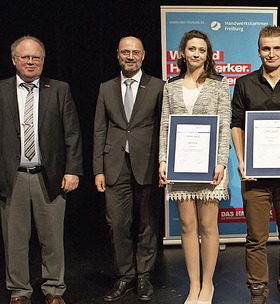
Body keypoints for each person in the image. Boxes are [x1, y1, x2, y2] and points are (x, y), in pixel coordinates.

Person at [230, 25, 280, 304]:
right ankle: (257, 289)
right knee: (255, 238)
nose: (271, 53)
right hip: (255, 177)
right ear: (259, 50)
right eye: (266, 48)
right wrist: (241, 160)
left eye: (277, 48)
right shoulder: (244, 84)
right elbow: (237, 125)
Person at [0, 36, 83, 304]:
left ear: (43, 61)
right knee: (15, 240)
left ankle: (54, 289)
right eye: (25, 57)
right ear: (14, 60)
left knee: (52, 239)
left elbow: (72, 133)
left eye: (36, 57)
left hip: (50, 176)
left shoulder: (59, 89)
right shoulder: (1, 90)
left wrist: (73, 170)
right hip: (12, 178)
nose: (31, 62)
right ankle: (19, 291)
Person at [159, 30, 231, 304]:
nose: (196, 54)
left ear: (208, 54)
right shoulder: (171, 87)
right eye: (191, 49)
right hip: (181, 166)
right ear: (182, 53)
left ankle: (207, 286)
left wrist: (221, 162)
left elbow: (224, 125)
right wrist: (163, 160)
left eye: (202, 49)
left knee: (208, 226)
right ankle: (193, 285)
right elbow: (166, 125)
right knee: (187, 226)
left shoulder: (220, 85)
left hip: (209, 167)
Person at [93, 36, 164, 302]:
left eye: (135, 52)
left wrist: (162, 163)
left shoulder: (158, 86)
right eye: (125, 52)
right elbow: (99, 129)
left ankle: (144, 276)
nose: (130, 56)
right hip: (114, 166)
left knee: (147, 222)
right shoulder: (106, 88)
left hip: (147, 163)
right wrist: (97, 169)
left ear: (143, 55)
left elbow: (163, 128)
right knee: (117, 224)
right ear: (118, 55)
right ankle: (125, 276)